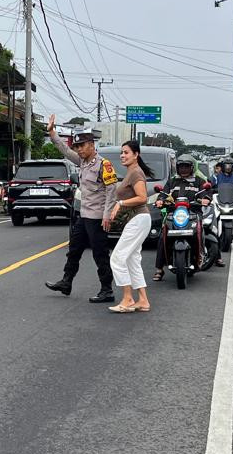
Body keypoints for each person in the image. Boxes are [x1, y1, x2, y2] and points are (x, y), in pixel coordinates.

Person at [44, 116, 118, 303]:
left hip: (97, 217)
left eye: (82, 146)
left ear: (91, 145)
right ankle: (66, 282)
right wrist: (52, 132)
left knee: (99, 253)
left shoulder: (104, 165)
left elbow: (111, 191)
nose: (78, 150)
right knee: (74, 250)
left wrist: (107, 214)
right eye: (77, 147)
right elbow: (64, 149)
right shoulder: (82, 161)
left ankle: (107, 289)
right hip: (83, 216)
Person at [103, 140, 154, 313]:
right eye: (121, 152)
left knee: (117, 258)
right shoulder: (131, 172)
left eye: (126, 152)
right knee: (132, 260)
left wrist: (120, 203)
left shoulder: (136, 173)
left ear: (136, 154)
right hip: (137, 219)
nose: (122, 156)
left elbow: (142, 197)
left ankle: (127, 298)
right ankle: (143, 300)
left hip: (138, 218)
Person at [153, 155, 212, 280]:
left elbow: (206, 193)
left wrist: (206, 199)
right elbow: (163, 193)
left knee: (201, 231)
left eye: (186, 166)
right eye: (181, 166)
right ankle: (159, 269)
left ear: (192, 167)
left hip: (193, 213)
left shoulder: (199, 181)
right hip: (174, 214)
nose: (183, 169)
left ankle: (201, 256)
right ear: (177, 168)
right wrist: (160, 201)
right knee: (162, 235)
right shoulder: (172, 181)